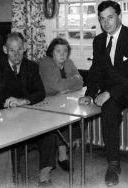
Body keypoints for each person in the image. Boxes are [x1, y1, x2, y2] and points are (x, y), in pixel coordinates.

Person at [78, 1, 128, 188]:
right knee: (109, 115)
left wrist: (109, 92)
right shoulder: (98, 41)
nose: (106, 23)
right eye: (102, 19)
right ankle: (113, 164)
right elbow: (96, 69)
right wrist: (90, 93)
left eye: (110, 17)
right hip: (116, 91)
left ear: (119, 16)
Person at [0, 32, 56, 187]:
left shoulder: (31, 66)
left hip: (27, 114)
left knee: (49, 133)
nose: (16, 54)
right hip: (3, 116)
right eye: (12, 50)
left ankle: (44, 175)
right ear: (5, 49)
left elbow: (40, 92)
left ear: (25, 49)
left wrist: (23, 101)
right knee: (9, 139)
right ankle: (12, 176)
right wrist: (4, 113)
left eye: (19, 50)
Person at [38, 37, 83, 171]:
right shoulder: (45, 63)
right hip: (44, 102)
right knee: (59, 119)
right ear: (52, 52)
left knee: (71, 115)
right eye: (58, 51)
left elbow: (80, 82)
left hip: (61, 101)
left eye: (65, 51)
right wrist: (72, 80)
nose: (62, 54)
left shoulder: (68, 62)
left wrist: (67, 86)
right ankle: (60, 158)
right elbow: (57, 86)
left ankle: (63, 156)